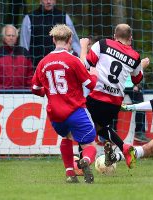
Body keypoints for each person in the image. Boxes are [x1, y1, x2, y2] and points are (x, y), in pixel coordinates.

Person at [31, 24, 98, 184]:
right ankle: (85, 161)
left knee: (66, 137)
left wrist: (48, 92)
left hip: (55, 113)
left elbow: (35, 88)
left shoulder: (43, 62)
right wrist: (94, 74)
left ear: (53, 39)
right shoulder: (73, 60)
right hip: (75, 110)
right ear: (69, 40)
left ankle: (70, 173)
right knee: (90, 144)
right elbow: (91, 85)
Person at [80, 23, 150, 169]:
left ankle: (82, 162)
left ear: (114, 36)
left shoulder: (103, 44)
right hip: (115, 102)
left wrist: (83, 47)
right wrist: (142, 65)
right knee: (100, 127)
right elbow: (137, 79)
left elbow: (85, 65)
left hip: (97, 96)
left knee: (82, 126)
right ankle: (125, 148)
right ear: (130, 38)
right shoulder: (135, 56)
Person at [20, 0, 80, 67]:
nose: (48, 2)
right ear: (40, 0)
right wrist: (24, 65)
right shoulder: (29, 18)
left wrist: (81, 58)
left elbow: (74, 42)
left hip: (61, 64)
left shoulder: (64, 16)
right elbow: (24, 46)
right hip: (36, 65)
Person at [0, 24, 33, 89]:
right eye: (8, 35)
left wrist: (28, 90)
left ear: (16, 37)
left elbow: (30, 74)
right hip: (1, 95)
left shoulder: (25, 53)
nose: (11, 38)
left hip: (22, 95)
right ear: (4, 37)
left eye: (13, 35)